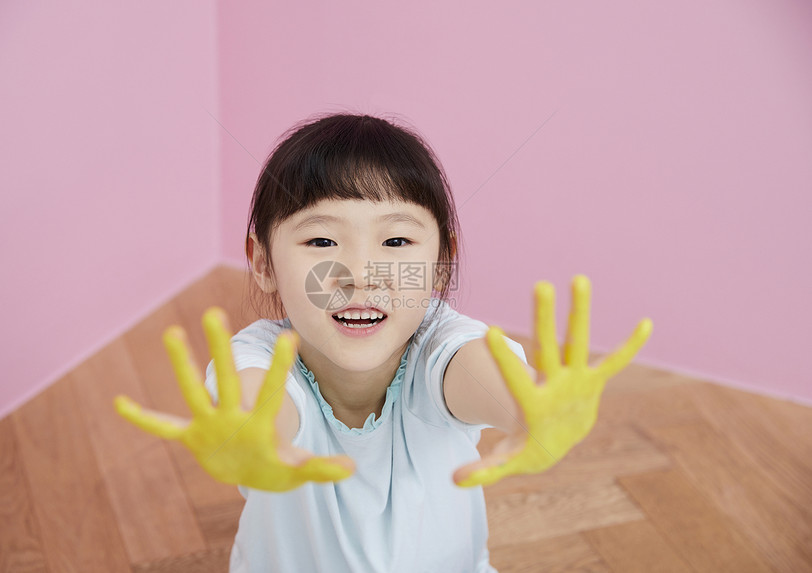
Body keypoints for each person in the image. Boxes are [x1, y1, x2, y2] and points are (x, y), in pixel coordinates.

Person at [114, 112, 653, 573]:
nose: (360, 274)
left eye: (396, 240)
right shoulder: (257, 358)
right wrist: (253, 439)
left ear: (441, 260)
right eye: (322, 240)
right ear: (262, 262)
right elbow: (262, 408)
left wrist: (530, 408)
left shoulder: (443, 344)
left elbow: (478, 374)